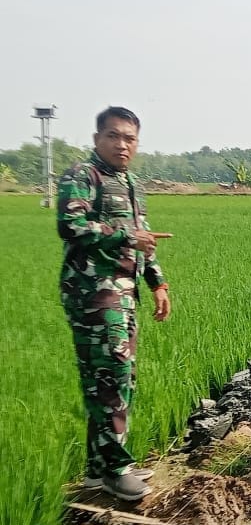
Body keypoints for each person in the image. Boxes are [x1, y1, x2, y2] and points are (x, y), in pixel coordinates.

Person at [57, 106, 171, 501]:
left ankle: (98, 467)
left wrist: (157, 283)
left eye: (129, 138)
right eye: (113, 136)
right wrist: (125, 235)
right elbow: (70, 225)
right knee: (112, 377)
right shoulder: (82, 176)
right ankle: (116, 469)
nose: (122, 144)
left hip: (122, 293)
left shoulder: (130, 182)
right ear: (97, 139)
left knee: (114, 379)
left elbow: (145, 239)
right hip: (93, 294)